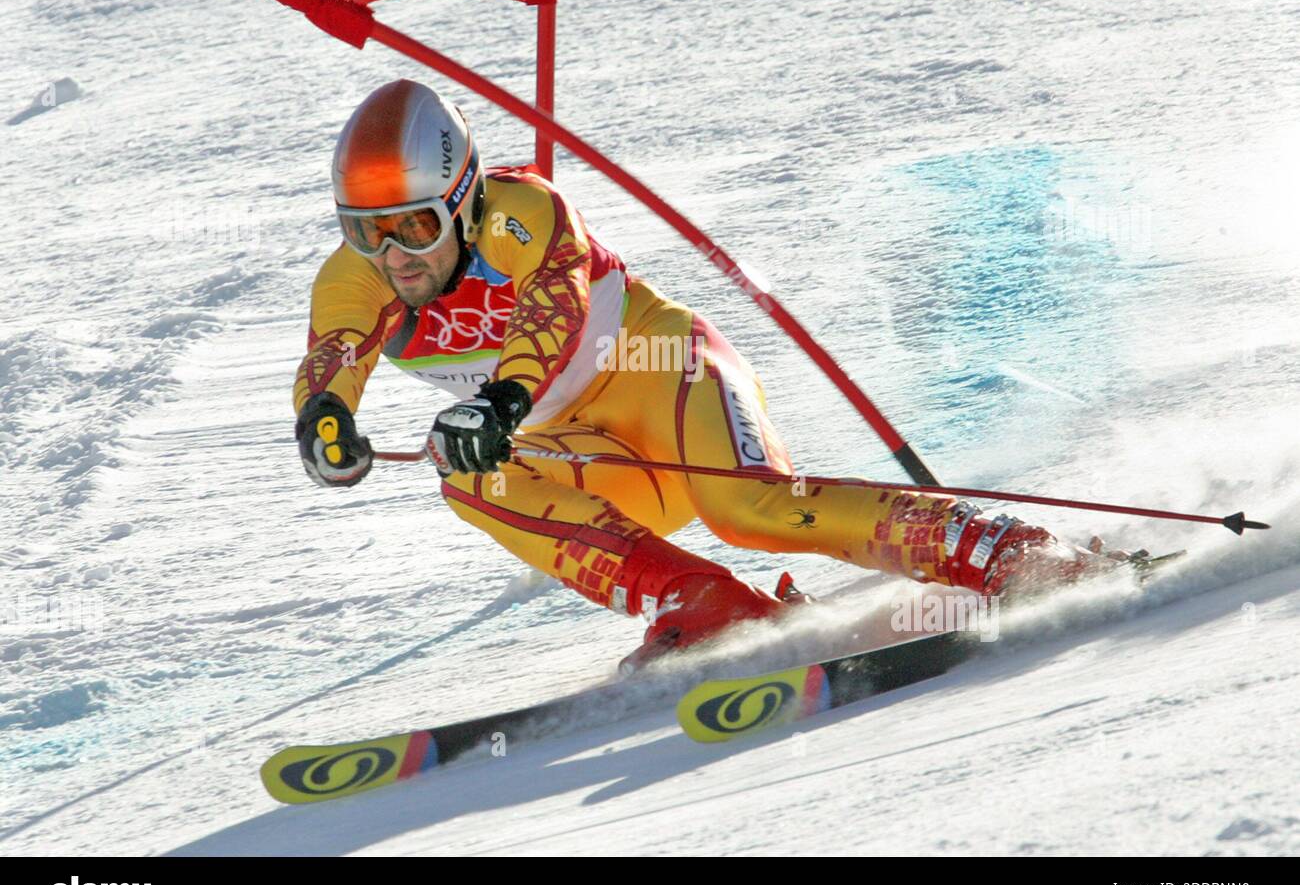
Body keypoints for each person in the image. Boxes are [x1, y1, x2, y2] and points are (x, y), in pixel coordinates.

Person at [294, 79, 1129, 669]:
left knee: (748, 506)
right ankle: (700, 604)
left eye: (413, 225)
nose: (393, 257)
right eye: (366, 232)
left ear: (466, 197)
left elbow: (551, 314)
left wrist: (502, 400)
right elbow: (332, 359)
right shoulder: (355, 278)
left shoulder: (525, 213)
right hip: (587, 453)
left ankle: (999, 549)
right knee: (464, 477)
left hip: (665, 378)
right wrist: (325, 421)